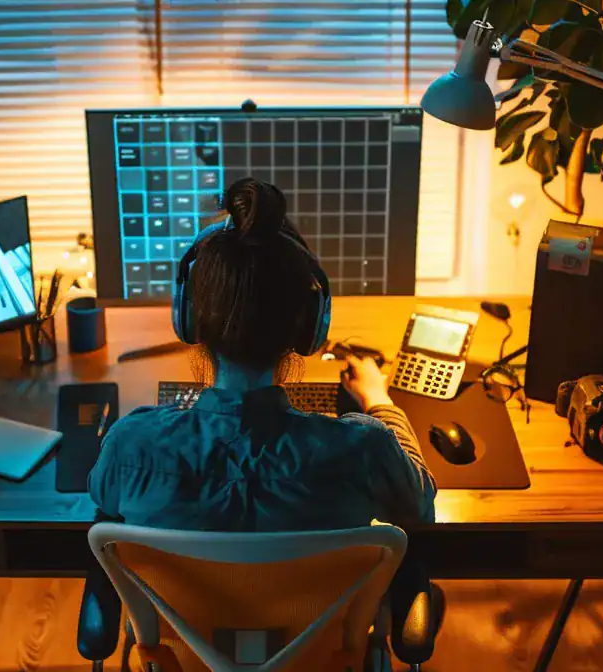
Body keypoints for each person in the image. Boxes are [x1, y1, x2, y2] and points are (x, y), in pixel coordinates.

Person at [89, 177, 436, 531]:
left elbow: (104, 505)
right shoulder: (366, 450)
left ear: (190, 319)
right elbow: (419, 508)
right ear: (309, 327)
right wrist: (380, 403)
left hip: (168, 591)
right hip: (312, 589)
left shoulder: (130, 445)